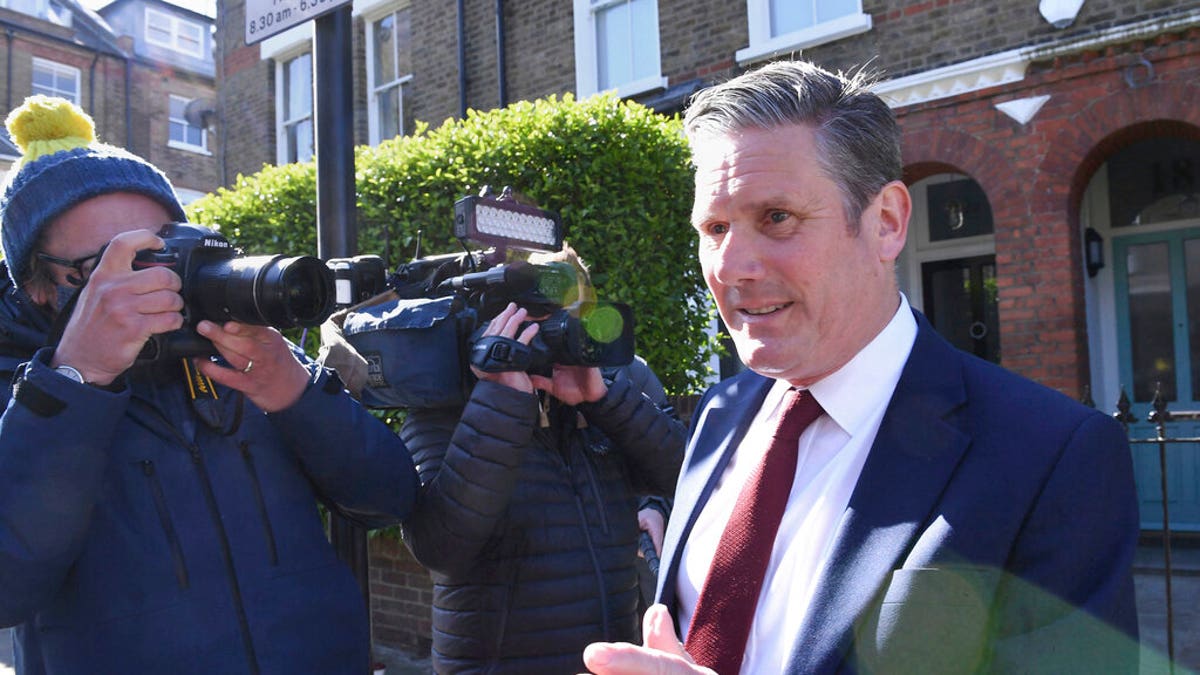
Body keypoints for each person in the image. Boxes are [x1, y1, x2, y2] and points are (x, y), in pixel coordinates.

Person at [582, 60, 1140, 674]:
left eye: (776, 218)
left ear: (886, 223)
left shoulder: (1051, 458)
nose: (732, 265)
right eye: (714, 227)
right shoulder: (720, 413)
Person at [0, 95, 420, 673]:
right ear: (41, 287)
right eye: (112, 263)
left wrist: (297, 394)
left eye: (163, 248)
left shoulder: (245, 350)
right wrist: (77, 380)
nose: (155, 282)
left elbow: (389, 499)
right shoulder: (26, 392)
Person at [397, 243, 685, 673]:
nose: (557, 336)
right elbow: (441, 546)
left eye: (571, 321)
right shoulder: (442, 417)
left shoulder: (592, 408)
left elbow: (686, 478)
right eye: (539, 323)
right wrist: (501, 396)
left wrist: (603, 400)